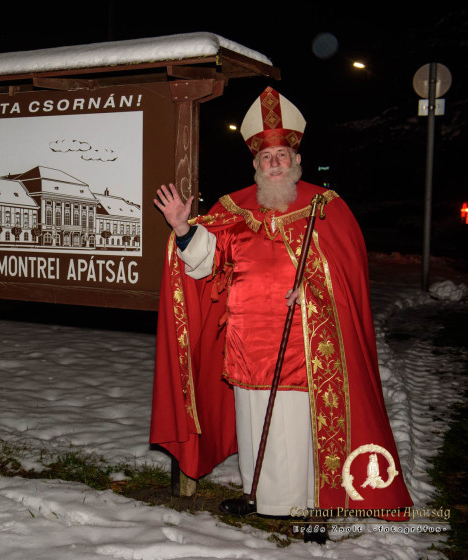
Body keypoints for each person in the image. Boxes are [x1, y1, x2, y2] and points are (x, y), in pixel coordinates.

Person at [150, 87, 412, 522]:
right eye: (266, 158)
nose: (275, 163)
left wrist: (312, 292)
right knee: (256, 423)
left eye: (282, 156)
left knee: (295, 426)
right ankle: (260, 497)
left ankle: (309, 504)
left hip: (303, 342)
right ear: (255, 165)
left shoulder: (325, 208)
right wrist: (182, 229)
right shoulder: (234, 209)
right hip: (246, 341)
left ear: (296, 162)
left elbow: (346, 277)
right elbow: (203, 264)